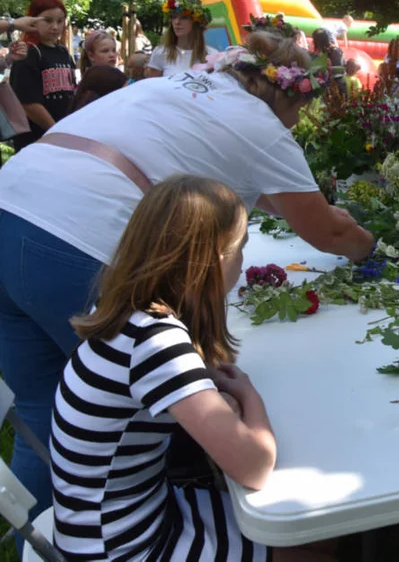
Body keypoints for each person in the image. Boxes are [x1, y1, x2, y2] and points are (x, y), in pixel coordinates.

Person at [0, 31, 374, 525]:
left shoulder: (178, 86)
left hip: (11, 205)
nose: (299, 121)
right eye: (302, 110)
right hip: (78, 239)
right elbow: (326, 231)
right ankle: (170, 517)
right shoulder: (261, 124)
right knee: (149, 410)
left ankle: (45, 540)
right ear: (288, 93)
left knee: (43, 412)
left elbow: (240, 183)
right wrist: (372, 248)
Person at [51, 175, 331, 562]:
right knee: (311, 550)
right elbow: (255, 466)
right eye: (241, 248)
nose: (243, 260)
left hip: (122, 517)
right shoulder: (156, 342)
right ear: (215, 262)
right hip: (121, 548)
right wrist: (248, 393)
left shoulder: (127, 309)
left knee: (315, 533)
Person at [8, 0, 77, 151]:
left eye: (60, 21)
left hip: (63, 134)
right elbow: (29, 104)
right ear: (32, 20)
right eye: (48, 20)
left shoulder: (63, 52)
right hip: (35, 139)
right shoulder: (28, 53)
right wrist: (55, 130)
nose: (55, 27)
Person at [146, 0, 217, 77]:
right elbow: (154, 86)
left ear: (196, 23)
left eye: (184, 18)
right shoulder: (161, 52)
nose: (177, 22)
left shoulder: (212, 55)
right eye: (173, 17)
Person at [312, 27, 346, 95]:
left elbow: (338, 70)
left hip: (336, 84)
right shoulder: (319, 52)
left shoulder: (335, 51)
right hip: (326, 84)